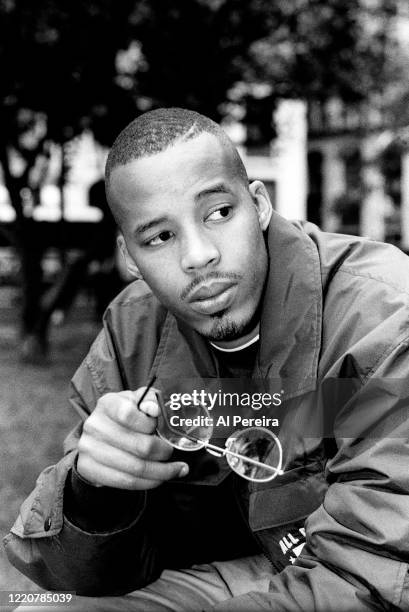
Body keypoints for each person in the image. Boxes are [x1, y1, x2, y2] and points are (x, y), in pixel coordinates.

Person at [4, 108, 409, 611]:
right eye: (159, 237)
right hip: (249, 571)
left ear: (259, 205)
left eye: (218, 213)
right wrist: (96, 491)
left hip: (354, 575)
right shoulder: (132, 334)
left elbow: (376, 576)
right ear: (129, 256)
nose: (198, 256)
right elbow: (84, 572)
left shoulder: (381, 317)